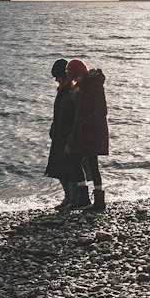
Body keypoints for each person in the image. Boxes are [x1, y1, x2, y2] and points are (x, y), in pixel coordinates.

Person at [65, 57, 109, 210]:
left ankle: (95, 200)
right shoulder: (84, 86)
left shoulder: (94, 86)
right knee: (80, 161)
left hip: (92, 133)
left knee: (89, 163)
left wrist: (85, 124)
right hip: (86, 132)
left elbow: (101, 110)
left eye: (73, 76)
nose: (73, 80)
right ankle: (89, 198)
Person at [45, 58, 81, 210]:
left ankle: (74, 199)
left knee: (68, 170)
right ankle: (68, 197)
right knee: (58, 169)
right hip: (59, 136)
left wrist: (70, 139)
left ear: (66, 77)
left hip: (67, 137)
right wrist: (53, 129)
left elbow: (74, 119)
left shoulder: (72, 94)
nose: (56, 80)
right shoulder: (62, 93)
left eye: (58, 77)